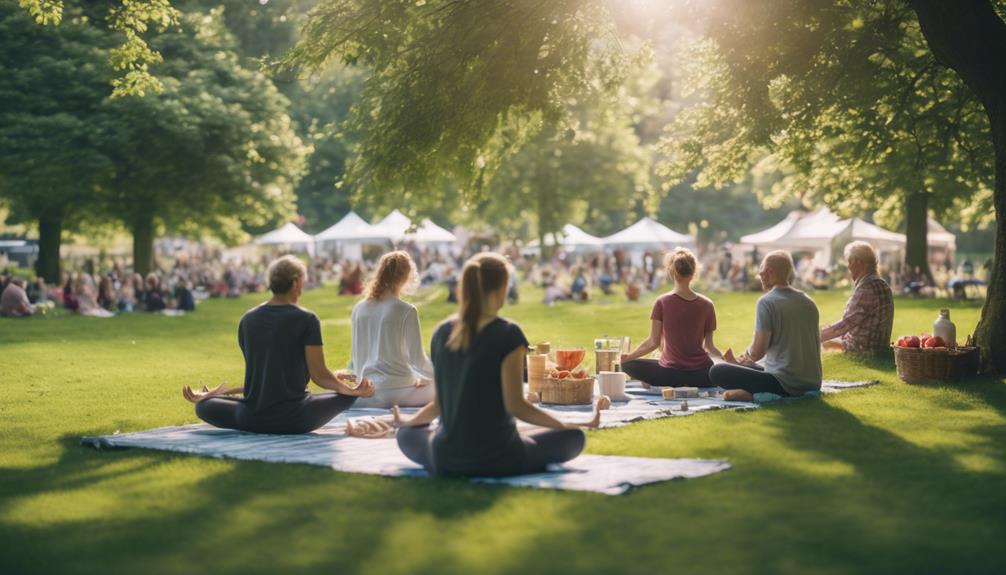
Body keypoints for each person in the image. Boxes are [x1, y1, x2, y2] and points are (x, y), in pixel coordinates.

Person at [394, 252, 599, 477]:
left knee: (406, 434)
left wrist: (407, 421)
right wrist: (564, 425)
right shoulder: (508, 333)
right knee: (574, 438)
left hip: (444, 457)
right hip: (498, 457)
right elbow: (516, 406)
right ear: (502, 288)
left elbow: (438, 406)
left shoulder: (442, 333)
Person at [183, 256, 374, 434]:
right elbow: (320, 376)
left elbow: (264, 378)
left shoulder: (247, 320)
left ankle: (214, 399)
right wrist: (353, 390)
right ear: (296, 282)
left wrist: (220, 393)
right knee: (347, 396)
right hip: (295, 418)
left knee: (203, 405)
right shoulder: (307, 319)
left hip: (251, 417)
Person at [709, 251, 822, 400]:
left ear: (768, 272)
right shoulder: (808, 302)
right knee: (750, 366)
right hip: (812, 382)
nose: (759, 274)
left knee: (717, 371)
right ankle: (750, 383)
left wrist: (740, 361)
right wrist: (742, 363)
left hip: (785, 384)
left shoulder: (767, 302)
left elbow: (757, 352)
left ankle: (755, 396)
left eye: (761, 269)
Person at [621, 248, 722, 388]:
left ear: (672, 271)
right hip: (701, 375)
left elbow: (653, 343)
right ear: (694, 272)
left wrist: (627, 358)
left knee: (628, 365)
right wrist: (727, 361)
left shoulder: (662, 302)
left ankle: (653, 381)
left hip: (669, 375)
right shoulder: (707, 304)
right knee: (718, 370)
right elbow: (710, 347)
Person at [349, 251, 436, 409]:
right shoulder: (405, 310)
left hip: (366, 393)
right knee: (447, 384)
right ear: (406, 276)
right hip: (398, 392)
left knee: (424, 380)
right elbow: (417, 360)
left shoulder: (359, 308)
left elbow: (357, 357)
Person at [820, 241, 894, 353]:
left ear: (859, 262)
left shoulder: (867, 288)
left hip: (864, 349)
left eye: (850, 262)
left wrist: (816, 336)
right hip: (878, 346)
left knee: (823, 343)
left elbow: (844, 325)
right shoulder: (881, 283)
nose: (848, 267)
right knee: (828, 336)